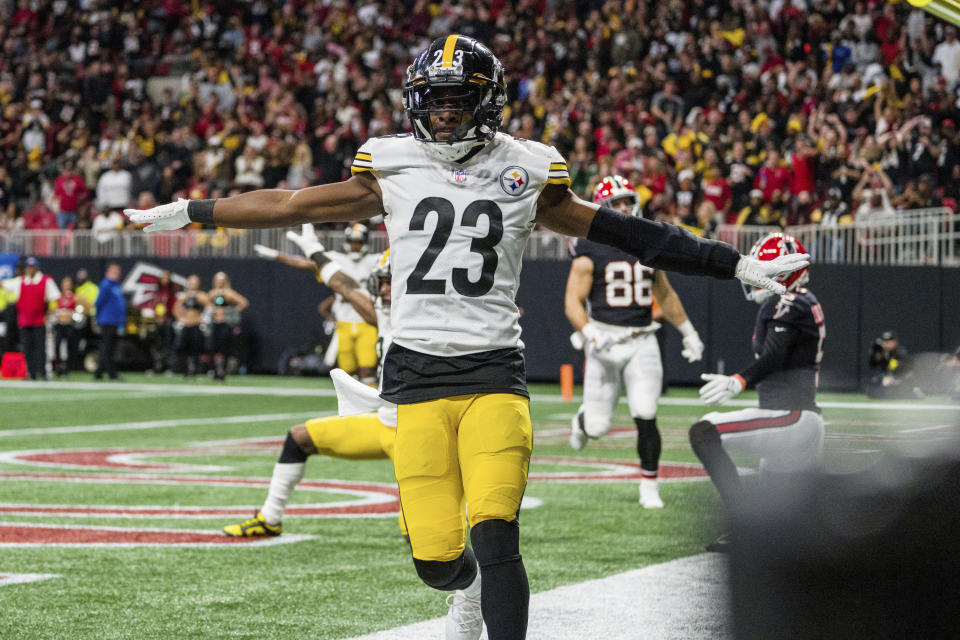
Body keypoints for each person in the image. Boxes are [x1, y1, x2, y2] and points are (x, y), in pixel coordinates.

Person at [125, 35, 806, 640]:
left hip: (492, 379)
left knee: (497, 533)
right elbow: (288, 205)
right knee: (437, 562)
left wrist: (733, 261)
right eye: (435, 98)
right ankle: (468, 589)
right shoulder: (389, 163)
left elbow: (635, 235)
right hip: (414, 386)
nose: (444, 111)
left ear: (487, 101)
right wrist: (190, 210)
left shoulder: (530, 169)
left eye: (457, 99)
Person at [565, 175, 705, 509]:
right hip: (603, 342)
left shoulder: (647, 244)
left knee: (646, 411)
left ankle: (649, 485)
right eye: (619, 203)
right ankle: (582, 422)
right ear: (602, 208)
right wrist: (588, 332)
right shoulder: (588, 248)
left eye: (629, 201)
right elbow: (572, 301)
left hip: (642, 339)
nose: (626, 208)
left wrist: (689, 332)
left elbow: (665, 293)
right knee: (598, 427)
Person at [688, 233, 826, 552]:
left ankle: (740, 524)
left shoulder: (792, 300)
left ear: (785, 272)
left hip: (791, 419)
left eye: (768, 267)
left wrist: (739, 380)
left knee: (705, 432)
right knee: (786, 534)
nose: (758, 273)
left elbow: (774, 356)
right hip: (795, 421)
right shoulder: (795, 301)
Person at [326, 223, 381, 385]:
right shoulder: (338, 260)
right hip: (344, 321)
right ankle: (352, 408)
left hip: (366, 320)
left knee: (367, 369)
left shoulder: (375, 260)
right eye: (352, 241)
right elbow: (312, 262)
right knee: (347, 372)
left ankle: (371, 409)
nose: (355, 246)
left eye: (358, 242)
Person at [2, 257, 60, 380]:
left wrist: (48, 316)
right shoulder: (21, 281)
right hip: (24, 321)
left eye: (32, 267)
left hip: (40, 321)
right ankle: (31, 373)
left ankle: (44, 373)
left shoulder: (45, 281)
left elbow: (54, 300)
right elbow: (4, 284)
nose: (30, 269)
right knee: (28, 348)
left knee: (41, 348)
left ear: (36, 268)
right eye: (29, 267)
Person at [206, 272, 249, 381]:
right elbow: (206, 304)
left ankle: (222, 370)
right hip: (215, 323)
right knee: (213, 347)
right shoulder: (212, 293)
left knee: (223, 347)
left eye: (221, 281)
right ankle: (215, 370)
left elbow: (243, 302)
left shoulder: (229, 293)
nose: (219, 283)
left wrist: (230, 312)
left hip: (225, 323)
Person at [173, 275, 211, 377]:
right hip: (185, 324)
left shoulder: (202, 295)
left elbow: (209, 309)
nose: (192, 284)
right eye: (191, 282)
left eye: (194, 282)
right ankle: (184, 368)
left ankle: (194, 368)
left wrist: (201, 319)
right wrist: (180, 319)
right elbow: (176, 308)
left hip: (196, 325)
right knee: (181, 347)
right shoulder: (183, 296)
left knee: (195, 347)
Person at [94, 263, 127, 380]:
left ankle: (98, 372)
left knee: (109, 348)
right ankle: (112, 374)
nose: (117, 274)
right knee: (108, 348)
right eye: (114, 271)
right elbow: (98, 302)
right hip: (107, 321)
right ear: (107, 273)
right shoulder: (106, 285)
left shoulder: (116, 286)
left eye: (118, 272)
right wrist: (97, 317)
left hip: (115, 322)